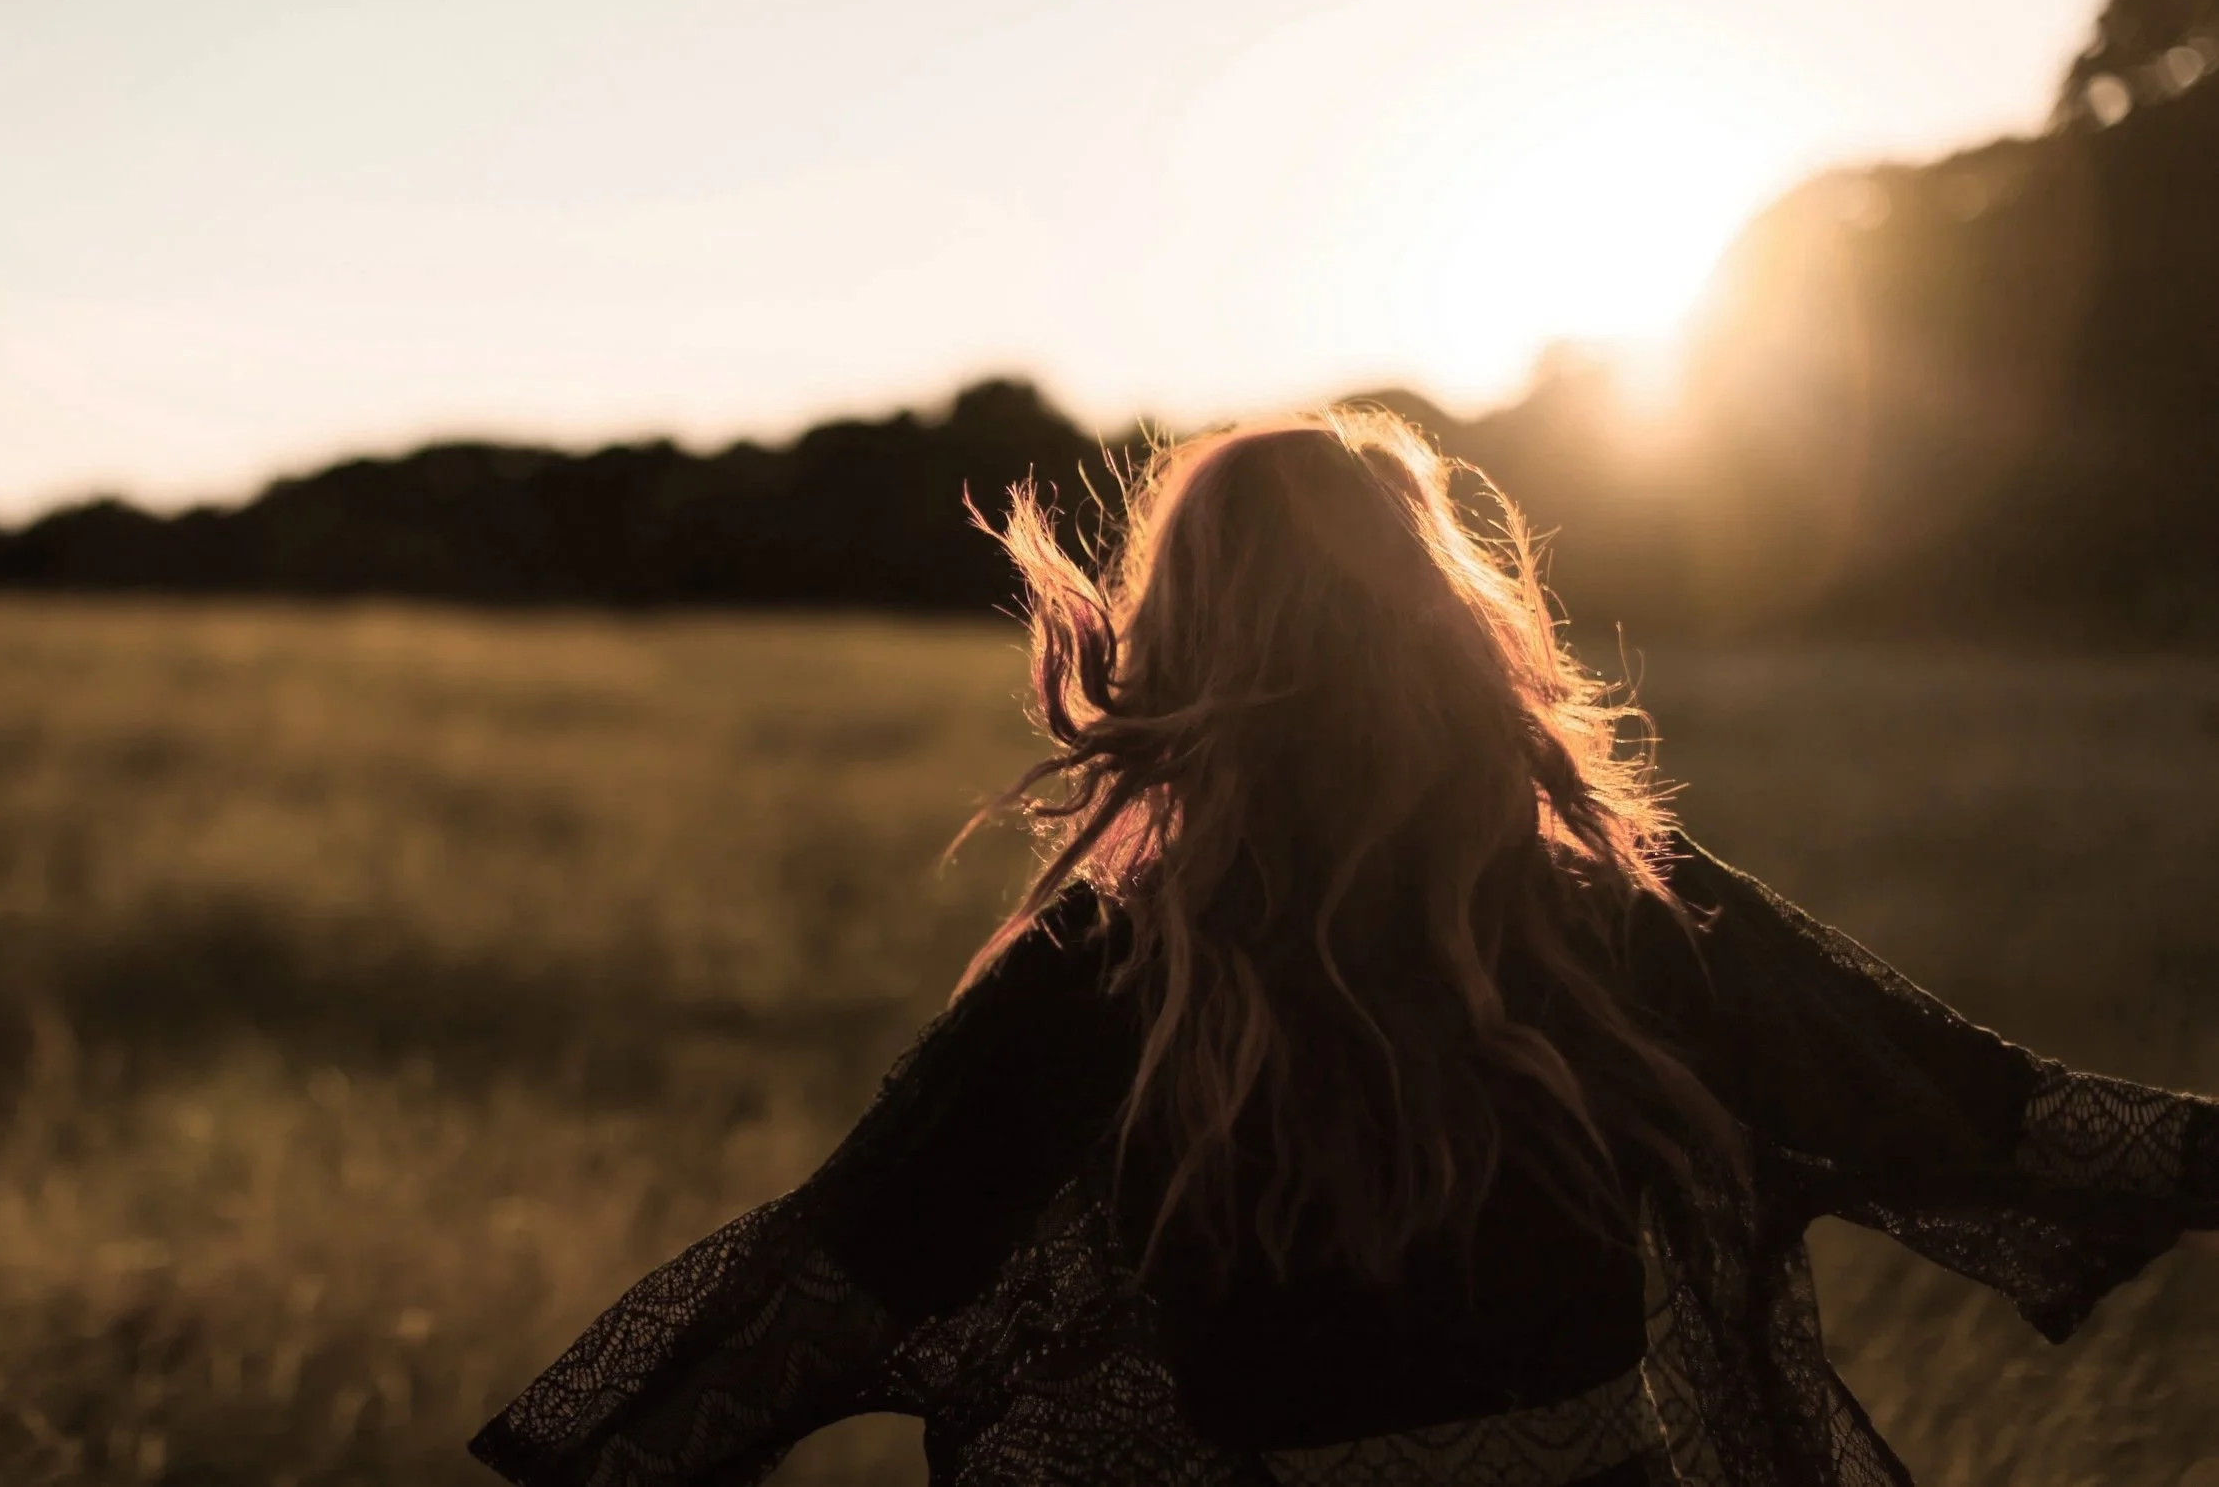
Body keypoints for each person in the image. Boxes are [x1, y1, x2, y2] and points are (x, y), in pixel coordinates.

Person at [470, 411, 2217, 1487]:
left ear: (1181, 651)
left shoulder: (1104, 980)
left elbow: (811, 1299)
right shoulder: (1617, 911)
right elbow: (2014, 1121)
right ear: (1449, 632)